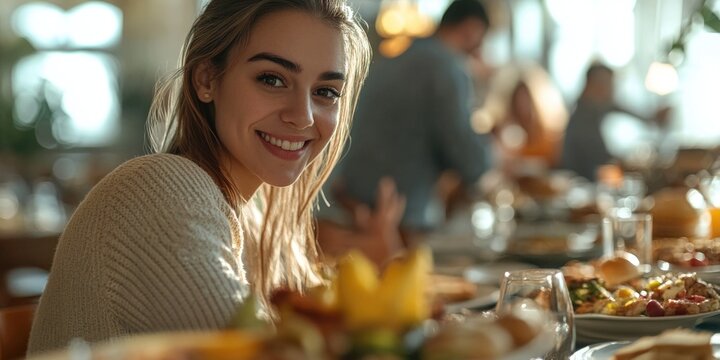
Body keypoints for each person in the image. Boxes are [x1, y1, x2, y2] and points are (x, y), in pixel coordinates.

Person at [27, 0, 371, 354]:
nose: (304, 117)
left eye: (326, 92)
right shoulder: (157, 192)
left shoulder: (249, 215)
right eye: (272, 79)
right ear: (206, 79)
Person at [317, 0, 492, 252]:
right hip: (398, 219)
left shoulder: (393, 59)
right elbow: (471, 161)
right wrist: (493, 154)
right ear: (471, 29)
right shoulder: (446, 67)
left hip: (350, 206)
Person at [560, 62, 670, 181]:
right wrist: (630, 162)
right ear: (592, 85)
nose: (611, 91)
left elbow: (622, 108)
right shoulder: (582, 119)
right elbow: (601, 157)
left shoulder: (596, 105)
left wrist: (651, 117)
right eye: (608, 85)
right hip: (583, 182)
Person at [482, 63, 569, 173]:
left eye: (526, 99)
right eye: (518, 99)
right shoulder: (498, 129)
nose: (522, 105)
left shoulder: (549, 134)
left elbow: (554, 161)